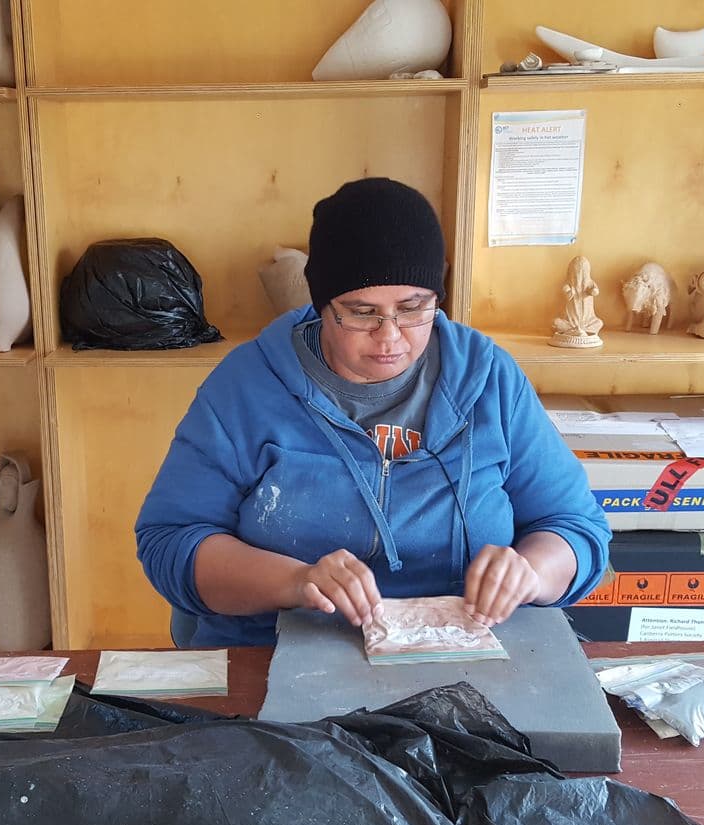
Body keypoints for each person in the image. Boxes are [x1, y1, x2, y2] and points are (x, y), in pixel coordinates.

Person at [136, 177, 611, 647]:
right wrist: (295, 582)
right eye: (361, 312)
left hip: (464, 648)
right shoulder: (247, 386)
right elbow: (171, 542)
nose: (390, 336)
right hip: (278, 649)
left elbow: (576, 529)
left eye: (413, 308)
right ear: (323, 305)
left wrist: (531, 571)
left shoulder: (488, 379)